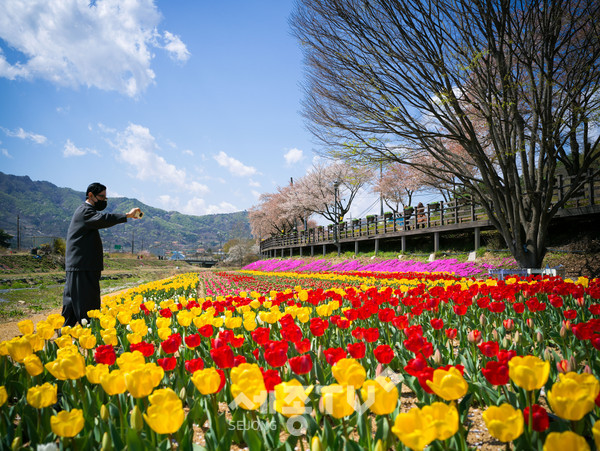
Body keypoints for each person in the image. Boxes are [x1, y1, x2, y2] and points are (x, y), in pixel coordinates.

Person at [62, 182, 142, 327]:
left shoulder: (85, 211)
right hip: (83, 266)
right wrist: (127, 215)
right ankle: (90, 336)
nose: (104, 201)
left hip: (80, 266)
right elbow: (103, 219)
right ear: (91, 195)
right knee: (88, 305)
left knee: (72, 304)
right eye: (102, 197)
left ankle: (64, 335)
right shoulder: (85, 211)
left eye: (106, 198)